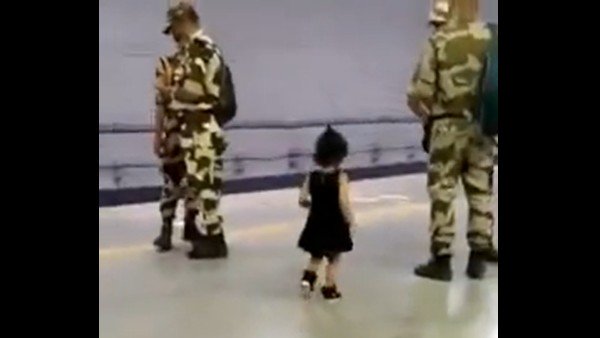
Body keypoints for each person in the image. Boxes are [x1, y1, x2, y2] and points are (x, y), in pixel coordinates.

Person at [407, 0, 495, 281]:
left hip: (447, 126)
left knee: (443, 190)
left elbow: (419, 93)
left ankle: (442, 259)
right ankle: (479, 254)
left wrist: (429, 121)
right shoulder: (492, 38)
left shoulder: (438, 41)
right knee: (481, 189)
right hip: (484, 126)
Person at [156, 2, 228, 259]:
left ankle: (214, 239)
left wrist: (171, 92)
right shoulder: (201, 49)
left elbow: (196, 91)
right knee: (200, 183)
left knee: (204, 183)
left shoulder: (199, 49)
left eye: (174, 28)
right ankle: (211, 234)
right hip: (199, 126)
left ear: (182, 22)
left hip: (201, 126)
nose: (173, 35)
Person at [297, 125, 356, 302]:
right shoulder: (340, 177)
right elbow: (343, 202)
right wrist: (350, 219)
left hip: (315, 222)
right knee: (334, 257)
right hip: (335, 224)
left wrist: (315, 206)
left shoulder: (312, 176)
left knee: (316, 254)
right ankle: (329, 288)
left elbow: (302, 199)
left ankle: (308, 278)